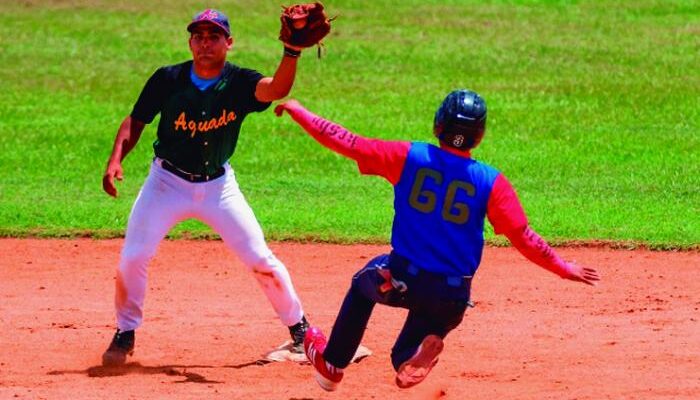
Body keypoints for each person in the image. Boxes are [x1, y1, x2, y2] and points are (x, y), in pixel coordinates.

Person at [274, 90, 601, 391]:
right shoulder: (492, 182)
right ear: (479, 134)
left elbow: (347, 141)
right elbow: (523, 236)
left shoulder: (409, 157)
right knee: (406, 351)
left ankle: (332, 365)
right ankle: (413, 354)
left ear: (439, 124)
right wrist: (562, 267)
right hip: (452, 295)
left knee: (363, 284)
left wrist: (301, 111)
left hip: (403, 278)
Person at [100, 9, 312, 366]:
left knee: (261, 259)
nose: (205, 43)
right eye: (198, 36)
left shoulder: (241, 82)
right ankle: (125, 333)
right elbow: (136, 120)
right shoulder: (168, 79)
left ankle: (300, 330)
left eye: (213, 36)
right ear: (190, 42)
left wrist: (291, 50)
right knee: (133, 257)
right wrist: (115, 159)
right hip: (165, 183)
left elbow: (276, 89)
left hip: (219, 188)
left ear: (228, 43)